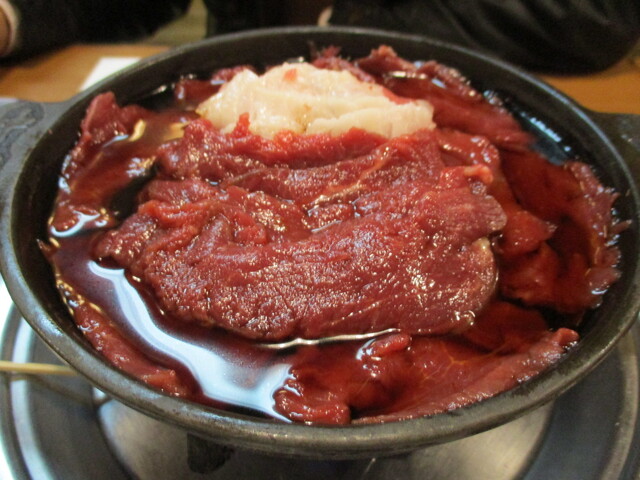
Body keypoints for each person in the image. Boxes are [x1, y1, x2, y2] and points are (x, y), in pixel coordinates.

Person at [0, 0, 638, 74]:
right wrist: (13, 16)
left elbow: (587, 17)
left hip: (446, 72)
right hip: (241, 75)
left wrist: (335, 23)